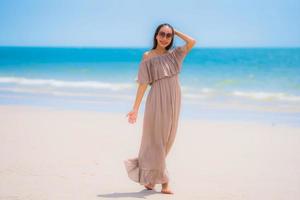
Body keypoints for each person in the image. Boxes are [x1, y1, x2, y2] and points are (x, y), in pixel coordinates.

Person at [124, 23, 196, 195]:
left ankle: (151, 180)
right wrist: (135, 109)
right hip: (156, 100)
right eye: (162, 34)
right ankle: (164, 182)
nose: (165, 38)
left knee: (167, 140)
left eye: (168, 35)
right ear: (156, 35)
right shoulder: (147, 56)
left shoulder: (175, 55)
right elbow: (142, 84)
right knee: (156, 140)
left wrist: (175, 30)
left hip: (174, 99)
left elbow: (192, 42)